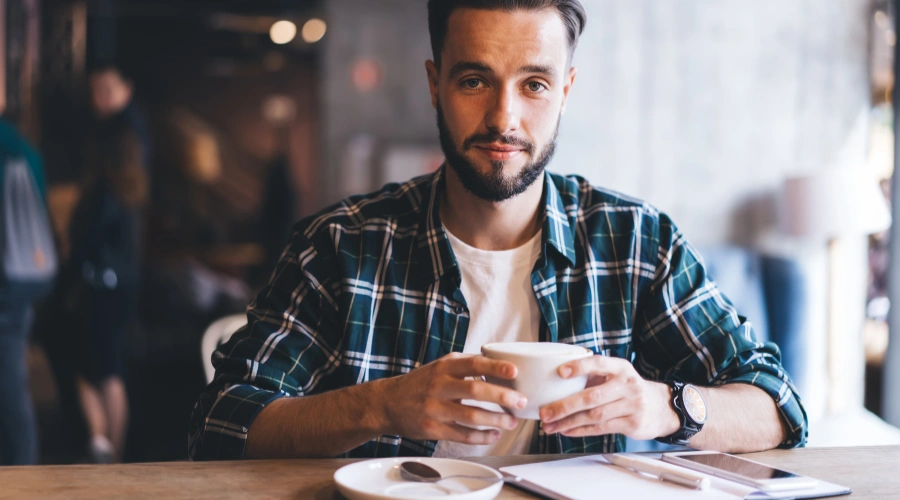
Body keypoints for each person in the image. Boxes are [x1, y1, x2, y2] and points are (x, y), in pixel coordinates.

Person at [189, 0, 807, 461]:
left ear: (565, 91)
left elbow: (779, 408)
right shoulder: (339, 246)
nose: (503, 117)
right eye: (474, 80)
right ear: (435, 85)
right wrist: (382, 405)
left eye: (534, 84)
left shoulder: (636, 244)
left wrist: (663, 406)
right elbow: (219, 424)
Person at [67, 62, 149, 463]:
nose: (97, 99)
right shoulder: (133, 170)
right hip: (123, 280)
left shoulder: (105, 182)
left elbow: (89, 235)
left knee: (95, 369)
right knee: (109, 369)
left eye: (106, 89)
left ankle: (105, 448)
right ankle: (109, 452)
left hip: (101, 282)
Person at [0, 118, 51, 466]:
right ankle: (23, 476)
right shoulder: (25, 152)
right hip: (17, 288)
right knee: (13, 390)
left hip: (6, 292)